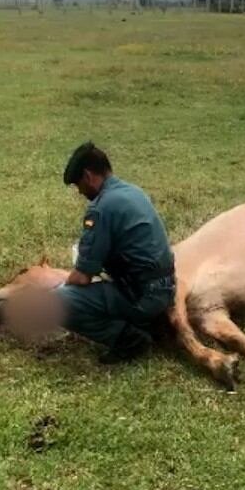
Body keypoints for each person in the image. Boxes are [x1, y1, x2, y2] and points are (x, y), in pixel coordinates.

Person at [57, 142, 176, 362]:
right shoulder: (134, 191)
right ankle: (145, 322)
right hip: (166, 290)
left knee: (57, 302)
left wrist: (62, 287)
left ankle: (129, 339)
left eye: (78, 185)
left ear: (88, 175)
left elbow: (83, 276)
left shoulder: (101, 208)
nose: (80, 192)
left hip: (142, 297)